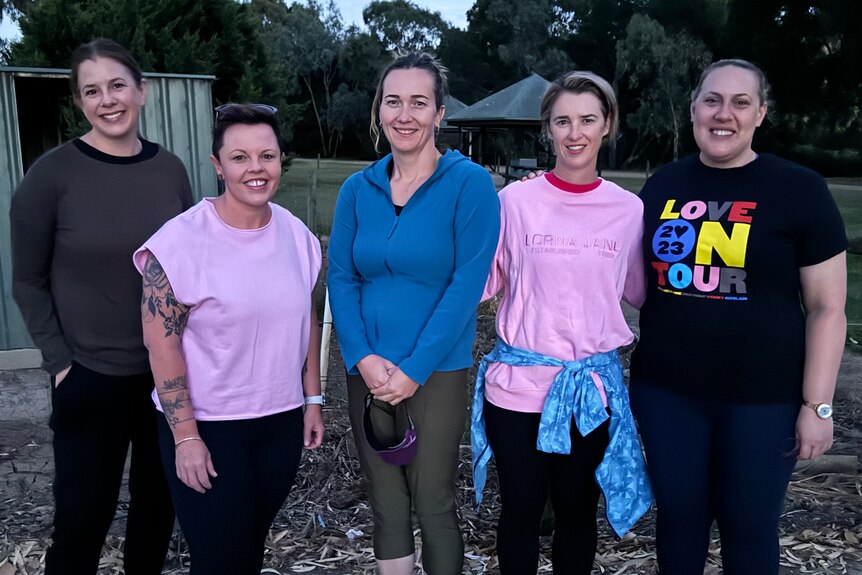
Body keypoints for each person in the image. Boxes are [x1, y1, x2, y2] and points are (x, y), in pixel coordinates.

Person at [629, 59, 847, 575]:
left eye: (740, 102)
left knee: (749, 529)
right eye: (712, 100)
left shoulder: (799, 189)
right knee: (679, 524)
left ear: (760, 114)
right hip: (668, 395)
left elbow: (827, 307)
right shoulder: (663, 186)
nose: (723, 114)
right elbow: (627, 278)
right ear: (693, 110)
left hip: (764, 401)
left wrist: (817, 406)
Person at [10, 38, 191, 575]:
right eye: (91, 91)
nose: (107, 100)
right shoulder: (52, 176)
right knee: (82, 521)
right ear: (79, 102)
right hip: (89, 375)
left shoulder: (170, 171)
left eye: (117, 85)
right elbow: (27, 279)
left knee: (157, 512)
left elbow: (183, 269)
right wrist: (61, 364)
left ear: (142, 90)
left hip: (164, 377)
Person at [470, 71, 653, 575]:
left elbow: (641, 291)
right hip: (518, 389)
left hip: (590, 393)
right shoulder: (514, 203)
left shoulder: (629, 211)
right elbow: (481, 282)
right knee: (521, 513)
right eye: (563, 121)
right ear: (547, 129)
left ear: (607, 125)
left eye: (588, 120)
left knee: (577, 514)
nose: (575, 133)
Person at [327, 53, 500, 575]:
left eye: (418, 102)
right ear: (379, 109)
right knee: (386, 503)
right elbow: (341, 277)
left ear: (439, 114)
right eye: (393, 101)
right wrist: (361, 356)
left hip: (436, 370)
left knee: (432, 502)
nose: (405, 114)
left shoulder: (469, 185)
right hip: (369, 369)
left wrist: (413, 370)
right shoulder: (358, 190)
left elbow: (465, 285)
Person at [133, 103, 324, 574]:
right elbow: (162, 344)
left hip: (278, 423)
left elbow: (309, 318)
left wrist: (313, 399)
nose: (255, 169)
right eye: (240, 158)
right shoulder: (178, 243)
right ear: (218, 165)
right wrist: (185, 438)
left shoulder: (297, 235)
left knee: (248, 549)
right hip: (210, 427)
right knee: (219, 559)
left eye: (267, 156)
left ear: (281, 161)